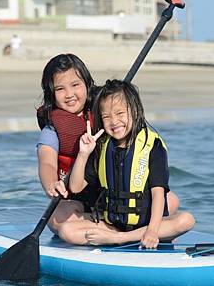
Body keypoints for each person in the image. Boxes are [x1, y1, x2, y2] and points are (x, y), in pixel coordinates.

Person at [36, 54, 179, 233]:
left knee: (170, 199)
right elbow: (46, 162)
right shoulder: (51, 130)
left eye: (75, 85)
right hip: (79, 200)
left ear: (87, 85)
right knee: (56, 218)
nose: (69, 94)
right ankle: (121, 228)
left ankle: (120, 225)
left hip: (113, 193)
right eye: (60, 89)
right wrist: (51, 184)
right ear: (51, 93)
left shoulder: (105, 111)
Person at [62, 79, 195, 248]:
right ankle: (122, 236)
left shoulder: (152, 145)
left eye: (120, 113)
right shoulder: (102, 146)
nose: (114, 121)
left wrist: (153, 230)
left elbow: (158, 193)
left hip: (147, 224)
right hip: (112, 225)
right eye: (106, 117)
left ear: (134, 111)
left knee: (186, 220)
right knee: (67, 230)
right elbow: (75, 187)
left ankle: (120, 239)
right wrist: (83, 153)